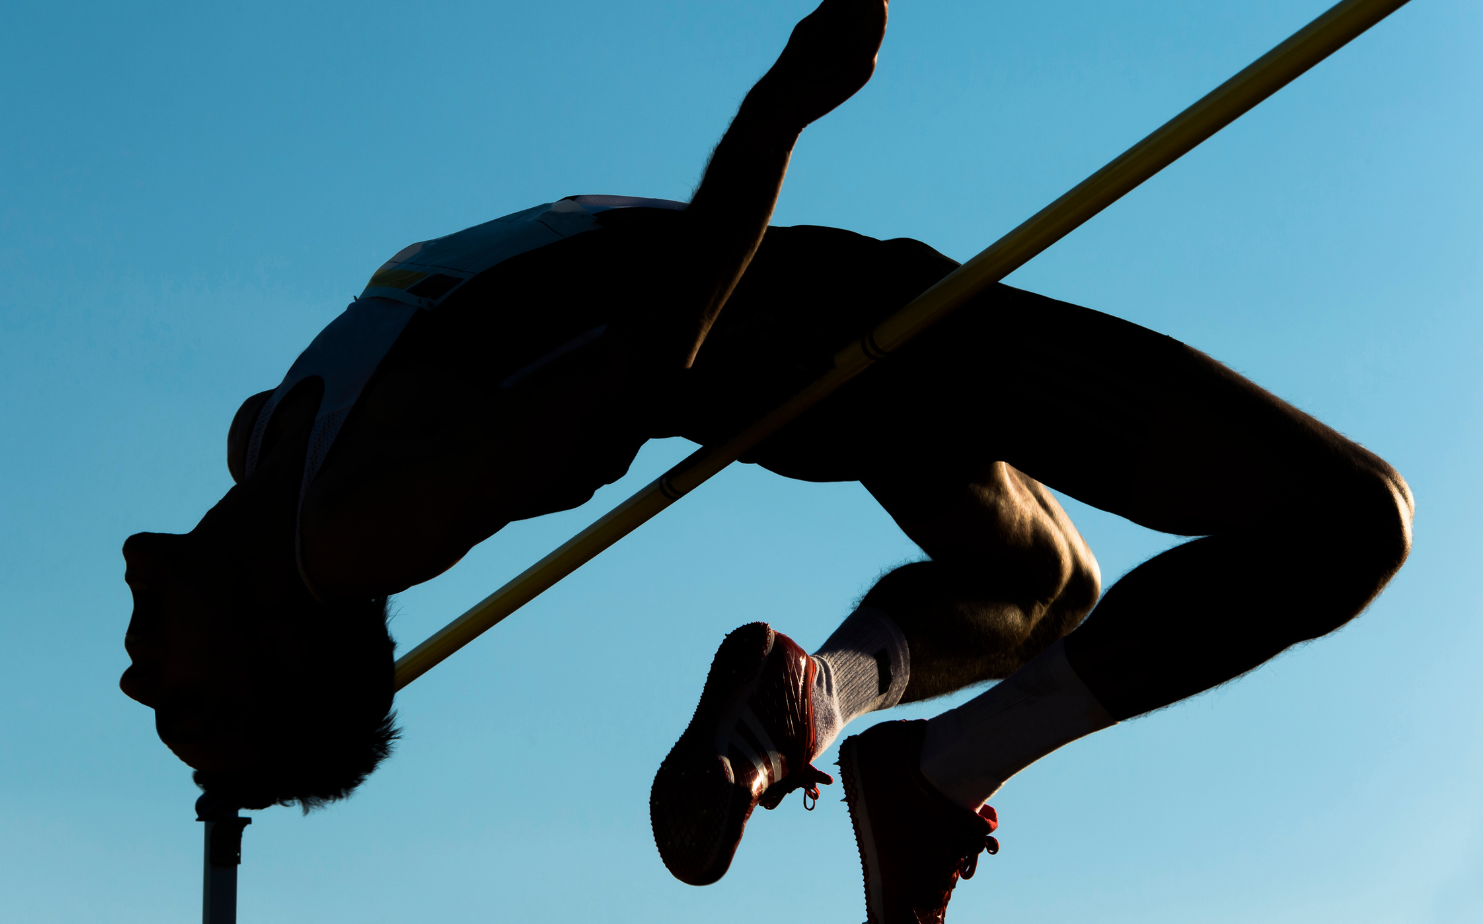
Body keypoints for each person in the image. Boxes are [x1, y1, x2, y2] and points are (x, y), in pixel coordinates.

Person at [118, 1, 1412, 920]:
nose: (134, 684)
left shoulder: (269, 440)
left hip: (837, 352)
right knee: (1347, 524)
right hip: (856, 341)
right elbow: (635, 378)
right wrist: (786, 100)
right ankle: (915, 762)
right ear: (281, 647)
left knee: (1045, 589)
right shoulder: (355, 533)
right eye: (185, 708)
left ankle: (838, 718)